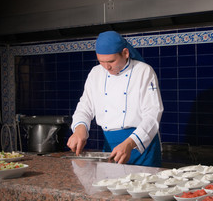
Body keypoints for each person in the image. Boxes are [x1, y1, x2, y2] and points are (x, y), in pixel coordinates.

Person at [67, 31, 163, 167]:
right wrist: (80, 129)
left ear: (125, 53)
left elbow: (152, 115)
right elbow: (85, 106)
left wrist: (129, 143)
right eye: (101, 61)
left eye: (111, 61)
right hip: (110, 148)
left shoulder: (143, 71)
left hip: (141, 147)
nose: (107, 67)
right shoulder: (95, 73)